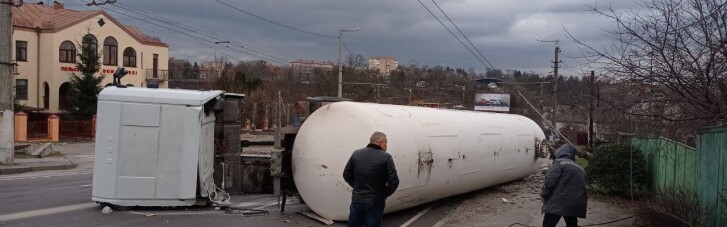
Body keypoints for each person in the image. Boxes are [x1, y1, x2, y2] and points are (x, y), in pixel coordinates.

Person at [343, 131, 400, 227]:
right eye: (386, 143)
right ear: (380, 142)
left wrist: (357, 187)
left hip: (357, 200)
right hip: (375, 202)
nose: (386, 146)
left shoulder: (356, 153)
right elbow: (394, 182)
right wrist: (383, 194)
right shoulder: (386, 157)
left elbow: (346, 174)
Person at [540, 143, 588, 227]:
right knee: (572, 224)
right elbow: (583, 186)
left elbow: (549, 182)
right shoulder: (581, 169)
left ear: (560, 153)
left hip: (557, 202)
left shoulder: (558, 164)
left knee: (548, 224)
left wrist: (544, 195)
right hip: (574, 203)